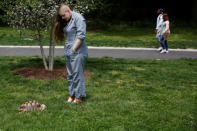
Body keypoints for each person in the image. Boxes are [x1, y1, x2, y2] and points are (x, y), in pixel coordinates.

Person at [54, 4, 88, 103]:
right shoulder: (68, 20)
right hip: (69, 50)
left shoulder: (79, 18)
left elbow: (81, 36)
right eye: (61, 16)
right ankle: (72, 94)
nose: (62, 18)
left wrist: (73, 49)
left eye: (63, 15)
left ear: (68, 11)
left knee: (77, 74)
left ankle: (79, 97)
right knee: (70, 75)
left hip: (78, 51)